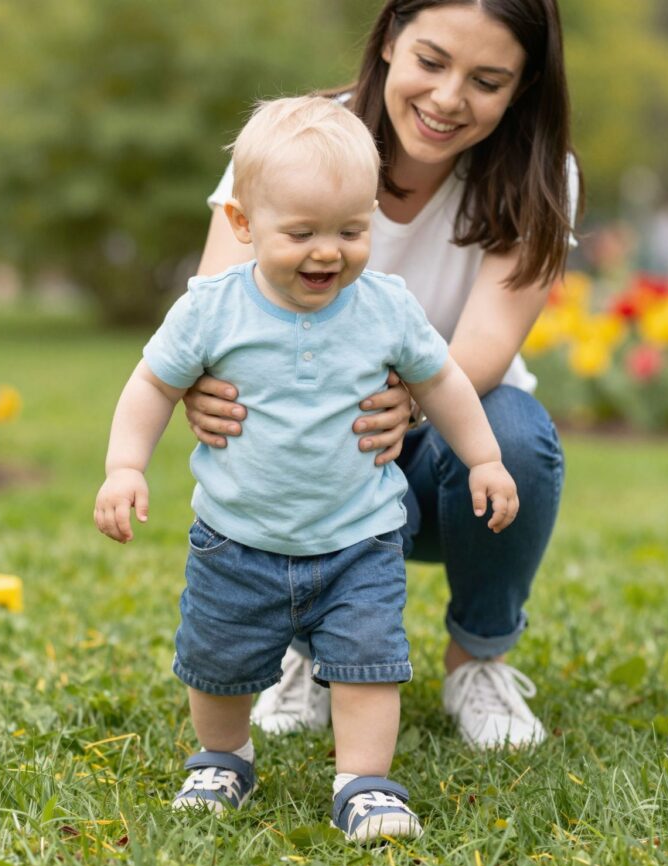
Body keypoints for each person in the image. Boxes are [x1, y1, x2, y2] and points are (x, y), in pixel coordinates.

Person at [94, 96, 519, 842]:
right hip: (236, 540)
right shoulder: (211, 309)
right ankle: (223, 758)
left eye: (351, 231)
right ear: (243, 224)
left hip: (360, 539)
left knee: (368, 666)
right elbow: (152, 385)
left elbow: (445, 382)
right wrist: (126, 466)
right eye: (302, 233)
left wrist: (483, 456)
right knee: (217, 664)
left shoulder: (385, 307)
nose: (328, 252)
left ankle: (365, 783)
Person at [186, 0, 580, 750]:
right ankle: (309, 648)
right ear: (392, 37)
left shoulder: (539, 173)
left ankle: (478, 662)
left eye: (487, 81)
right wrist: (201, 389)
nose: (448, 98)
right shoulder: (291, 144)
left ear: (523, 86)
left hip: (441, 452)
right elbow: (214, 305)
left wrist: (408, 403)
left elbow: (488, 342)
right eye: (432, 61)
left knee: (513, 434)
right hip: (310, 447)